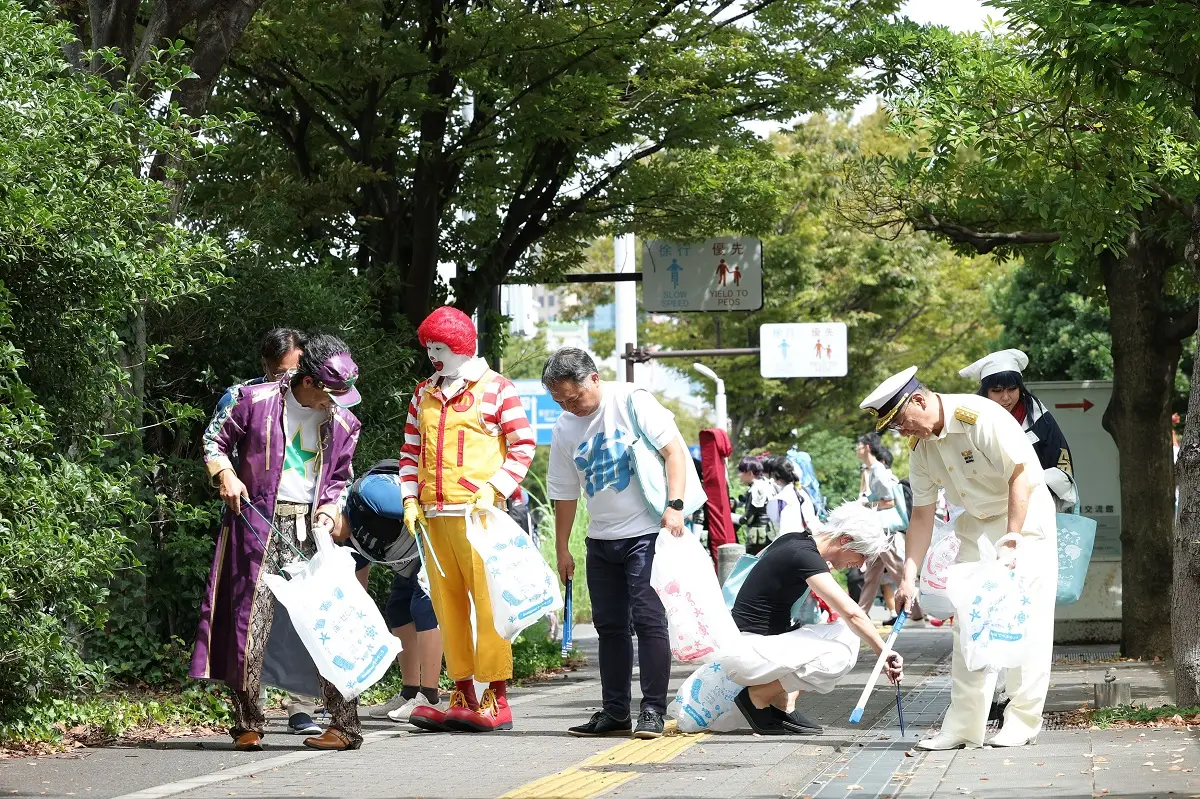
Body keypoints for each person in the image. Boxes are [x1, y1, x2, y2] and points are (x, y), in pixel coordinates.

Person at [860, 366, 1057, 750]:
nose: (903, 432)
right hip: (978, 528)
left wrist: (1013, 538)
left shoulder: (978, 416)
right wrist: (908, 577)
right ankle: (964, 726)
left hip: (1025, 521)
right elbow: (921, 515)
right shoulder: (921, 449)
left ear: (919, 399)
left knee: (1023, 620)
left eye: (902, 422)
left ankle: (1022, 720)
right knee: (968, 624)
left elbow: (1019, 475)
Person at [191, 333, 365, 752]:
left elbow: (340, 479)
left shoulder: (344, 422)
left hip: (311, 530)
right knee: (249, 623)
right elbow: (214, 440)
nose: (337, 403)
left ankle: (344, 726)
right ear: (307, 382)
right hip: (256, 522)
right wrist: (225, 475)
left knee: (328, 625)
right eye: (331, 394)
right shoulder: (251, 399)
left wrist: (330, 507)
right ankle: (248, 722)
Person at [399, 307, 536, 733]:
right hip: (435, 517)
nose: (434, 356)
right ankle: (463, 692)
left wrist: (494, 488)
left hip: (482, 518)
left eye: (440, 348)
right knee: (447, 605)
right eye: (429, 349)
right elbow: (409, 454)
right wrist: (409, 497)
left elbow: (523, 445)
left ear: (462, 346)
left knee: (492, 605)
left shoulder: (498, 390)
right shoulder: (422, 393)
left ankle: (497, 698)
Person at [543, 348, 690, 740]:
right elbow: (564, 494)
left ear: (593, 378)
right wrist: (562, 550)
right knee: (610, 628)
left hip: (646, 531)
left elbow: (673, 451)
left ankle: (654, 711)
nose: (570, 407)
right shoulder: (564, 428)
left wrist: (674, 507)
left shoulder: (631, 400)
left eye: (573, 397)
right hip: (601, 540)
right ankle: (615, 712)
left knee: (648, 619)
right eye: (560, 401)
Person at [721, 502, 904, 734]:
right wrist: (883, 653)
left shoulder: (795, 541)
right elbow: (851, 612)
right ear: (846, 540)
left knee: (848, 635)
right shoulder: (803, 555)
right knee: (837, 655)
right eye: (863, 555)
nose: (862, 565)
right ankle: (757, 697)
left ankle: (783, 702)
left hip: (752, 644)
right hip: (747, 651)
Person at [338, 462, 446, 724]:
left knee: (424, 605)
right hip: (410, 556)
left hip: (435, 536)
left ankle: (430, 697)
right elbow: (358, 589)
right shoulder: (345, 537)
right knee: (397, 609)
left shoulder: (369, 495)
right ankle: (409, 692)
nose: (328, 531)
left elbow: (427, 499)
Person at [959, 349, 1077, 512]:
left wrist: (1033, 482)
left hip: (1036, 505)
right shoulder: (970, 421)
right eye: (997, 390)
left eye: (1012, 389)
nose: (1006, 397)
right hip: (986, 508)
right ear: (985, 391)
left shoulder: (1039, 418)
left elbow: (1061, 467)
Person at [853, 433, 922, 624]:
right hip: (880, 530)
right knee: (873, 573)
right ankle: (862, 611)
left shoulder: (877, 470)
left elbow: (888, 501)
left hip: (885, 530)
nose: (857, 448)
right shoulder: (873, 470)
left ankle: (916, 611)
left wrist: (865, 504)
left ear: (867, 447)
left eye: (859, 445)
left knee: (897, 570)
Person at [760, 455, 819, 535]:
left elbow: (778, 530)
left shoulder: (779, 499)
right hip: (811, 538)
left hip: (791, 542)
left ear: (774, 475)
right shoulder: (802, 491)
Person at [736, 456, 776, 555]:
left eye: (742, 472)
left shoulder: (757, 488)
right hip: (768, 531)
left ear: (749, 473)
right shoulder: (764, 484)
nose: (739, 475)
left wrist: (733, 518)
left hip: (759, 534)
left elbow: (749, 514)